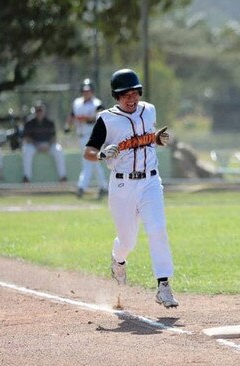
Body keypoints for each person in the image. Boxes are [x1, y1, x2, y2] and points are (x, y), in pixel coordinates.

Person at [83, 69, 178, 308]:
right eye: (125, 94)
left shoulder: (149, 110)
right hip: (122, 184)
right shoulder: (107, 119)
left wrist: (157, 139)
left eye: (134, 93)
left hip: (150, 182)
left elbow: (145, 138)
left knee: (157, 229)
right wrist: (103, 154)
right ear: (116, 97)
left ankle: (164, 285)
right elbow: (89, 152)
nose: (131, 98)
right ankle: (118, 261)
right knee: (127, 241)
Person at [66, 78, 108, 199]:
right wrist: (67, 126)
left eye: (88, 91)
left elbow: (101, 119)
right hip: (81, 136)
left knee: (88, 161)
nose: (86, 93)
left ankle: (81, 187)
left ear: (92, 91)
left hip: (93, 136)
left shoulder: (97, 103)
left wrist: (87, 119)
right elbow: (72, 115)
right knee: (93, 163)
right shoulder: (77, 102)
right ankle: (103, 187)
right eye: (84, 91)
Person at [21, 102, 67, 183]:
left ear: (44, 111)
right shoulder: (29, 123)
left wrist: (48, 145)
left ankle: (62, 176)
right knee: (26, 150)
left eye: (41, 110)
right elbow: (26, 138)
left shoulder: (49, 123)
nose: (39, 112)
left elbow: (54, 137)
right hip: (34, 145)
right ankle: (26, 177)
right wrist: (36, 145)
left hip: (47, 144)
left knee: (58, 149)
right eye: (37, 110)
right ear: (34, 111)